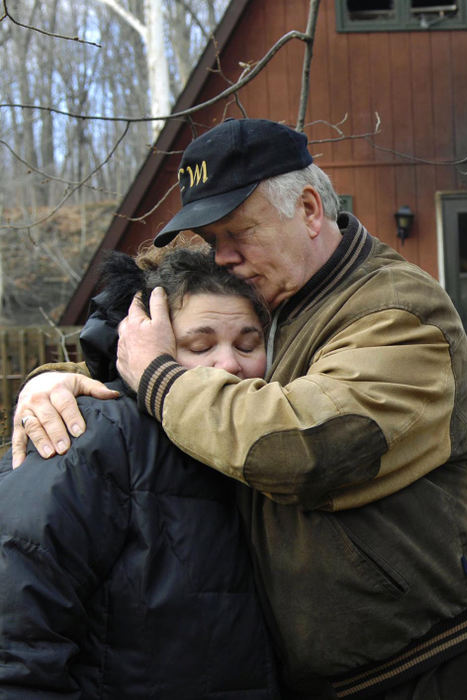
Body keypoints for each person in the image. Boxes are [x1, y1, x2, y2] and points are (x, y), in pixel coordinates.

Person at [13, 118, 467, 699]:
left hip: (421, 665)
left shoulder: (396, 311)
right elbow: (200, 367)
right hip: (313, 676)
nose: (223, 258)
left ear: (307, 209)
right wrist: (64, 383)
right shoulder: (282, 300)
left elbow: (303, 446)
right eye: (211, 241)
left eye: (237, 233)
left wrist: (154, 377)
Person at [0, 246, 279, 698]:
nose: (229, 364)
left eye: (248, 344)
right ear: (142, 345)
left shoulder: (268, 442)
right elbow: (17, 635)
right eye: (199, 345)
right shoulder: (93, 440)